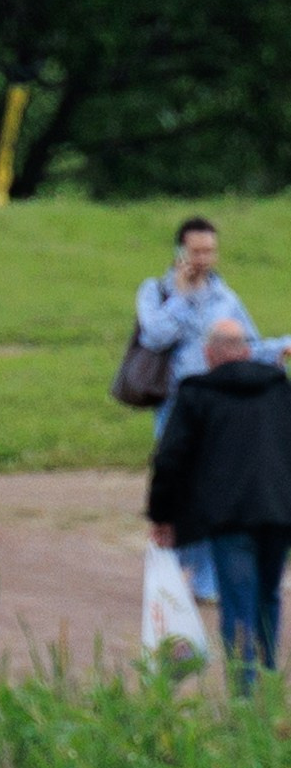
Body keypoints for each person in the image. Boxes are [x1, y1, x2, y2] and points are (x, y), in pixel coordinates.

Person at [133, 217, 288, 611]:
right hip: (179, 404)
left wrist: (282, 347)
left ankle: (206, 580)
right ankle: (179, 569)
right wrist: (183, 297)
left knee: (214, 487)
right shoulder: (156, 291)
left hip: (221, 407)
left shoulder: (226, 297)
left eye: (210, 250)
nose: (205, 259)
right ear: (179, 252)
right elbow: (154, 335)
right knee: (182, 485)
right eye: (197, 250)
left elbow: (246, 346)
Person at [147, 320, 291, 686]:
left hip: (230, 519)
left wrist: (162, 515)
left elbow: (170, 459)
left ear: (208, 355)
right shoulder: (279, 389)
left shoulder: (197, 393)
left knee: (237, 603)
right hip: (279, 512)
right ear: (246, 351)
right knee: (268, 596)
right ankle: (269, 683)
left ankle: (244, 694)